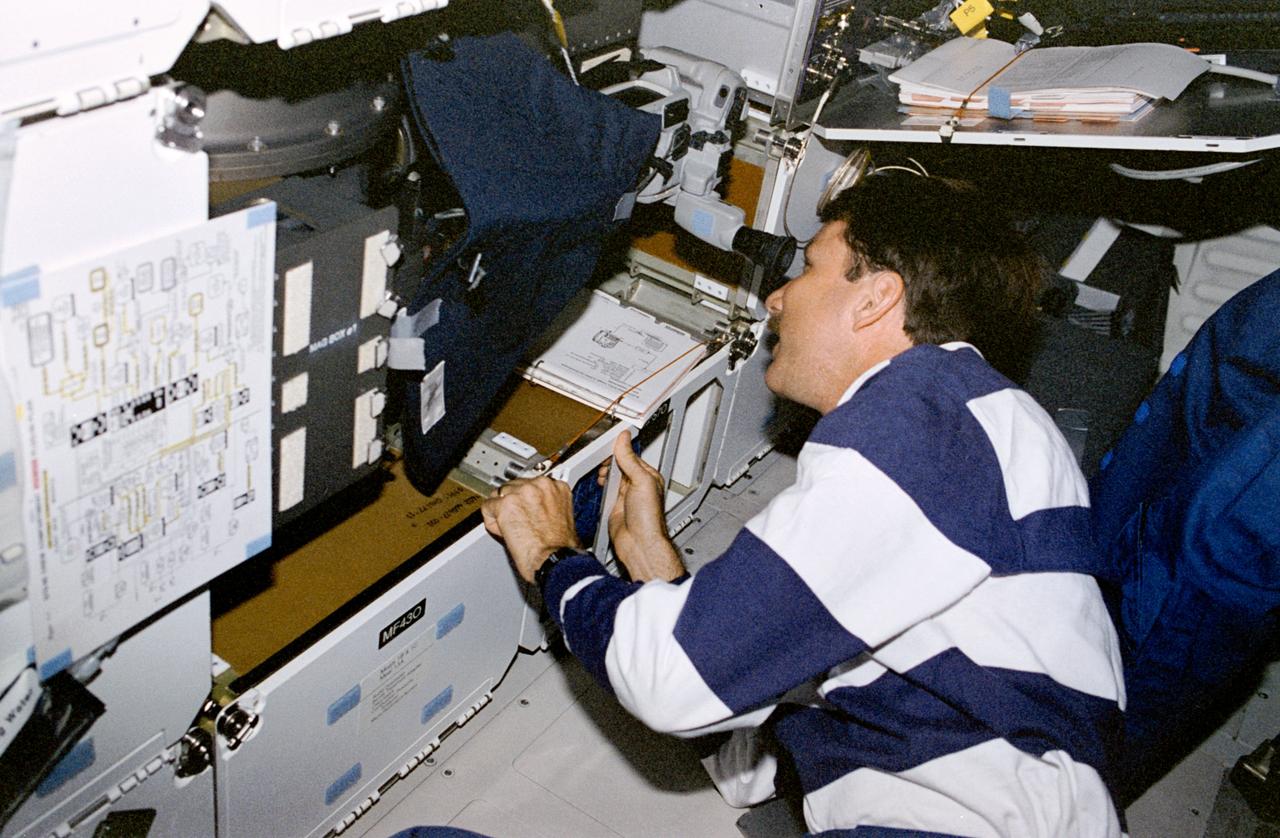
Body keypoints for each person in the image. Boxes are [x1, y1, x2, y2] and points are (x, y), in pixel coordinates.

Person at [481, 173, 1125, 835]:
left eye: (810, 269)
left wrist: (552, 556)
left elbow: (667, 681)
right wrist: (655, 568)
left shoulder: (923, 419)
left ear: (875, 298)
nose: (777, 298)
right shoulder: (965, 425)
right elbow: (752, 765)